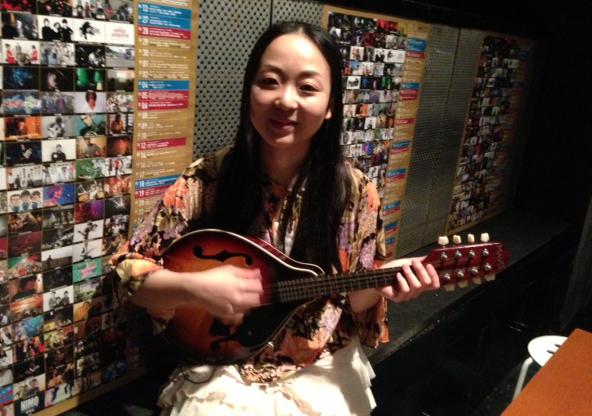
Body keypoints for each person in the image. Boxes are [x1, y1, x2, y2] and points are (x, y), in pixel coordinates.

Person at [110, 22, 439, 415]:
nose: (285, 100)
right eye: (270, 81)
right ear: (249, 91)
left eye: (307, 87)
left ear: (330, 105)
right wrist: (195, 288)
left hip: (320, 368)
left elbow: (355, 300)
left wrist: (385, 284)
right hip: (225, 366)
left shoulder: (355, 192)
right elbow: (126, 272)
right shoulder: (211, 177)